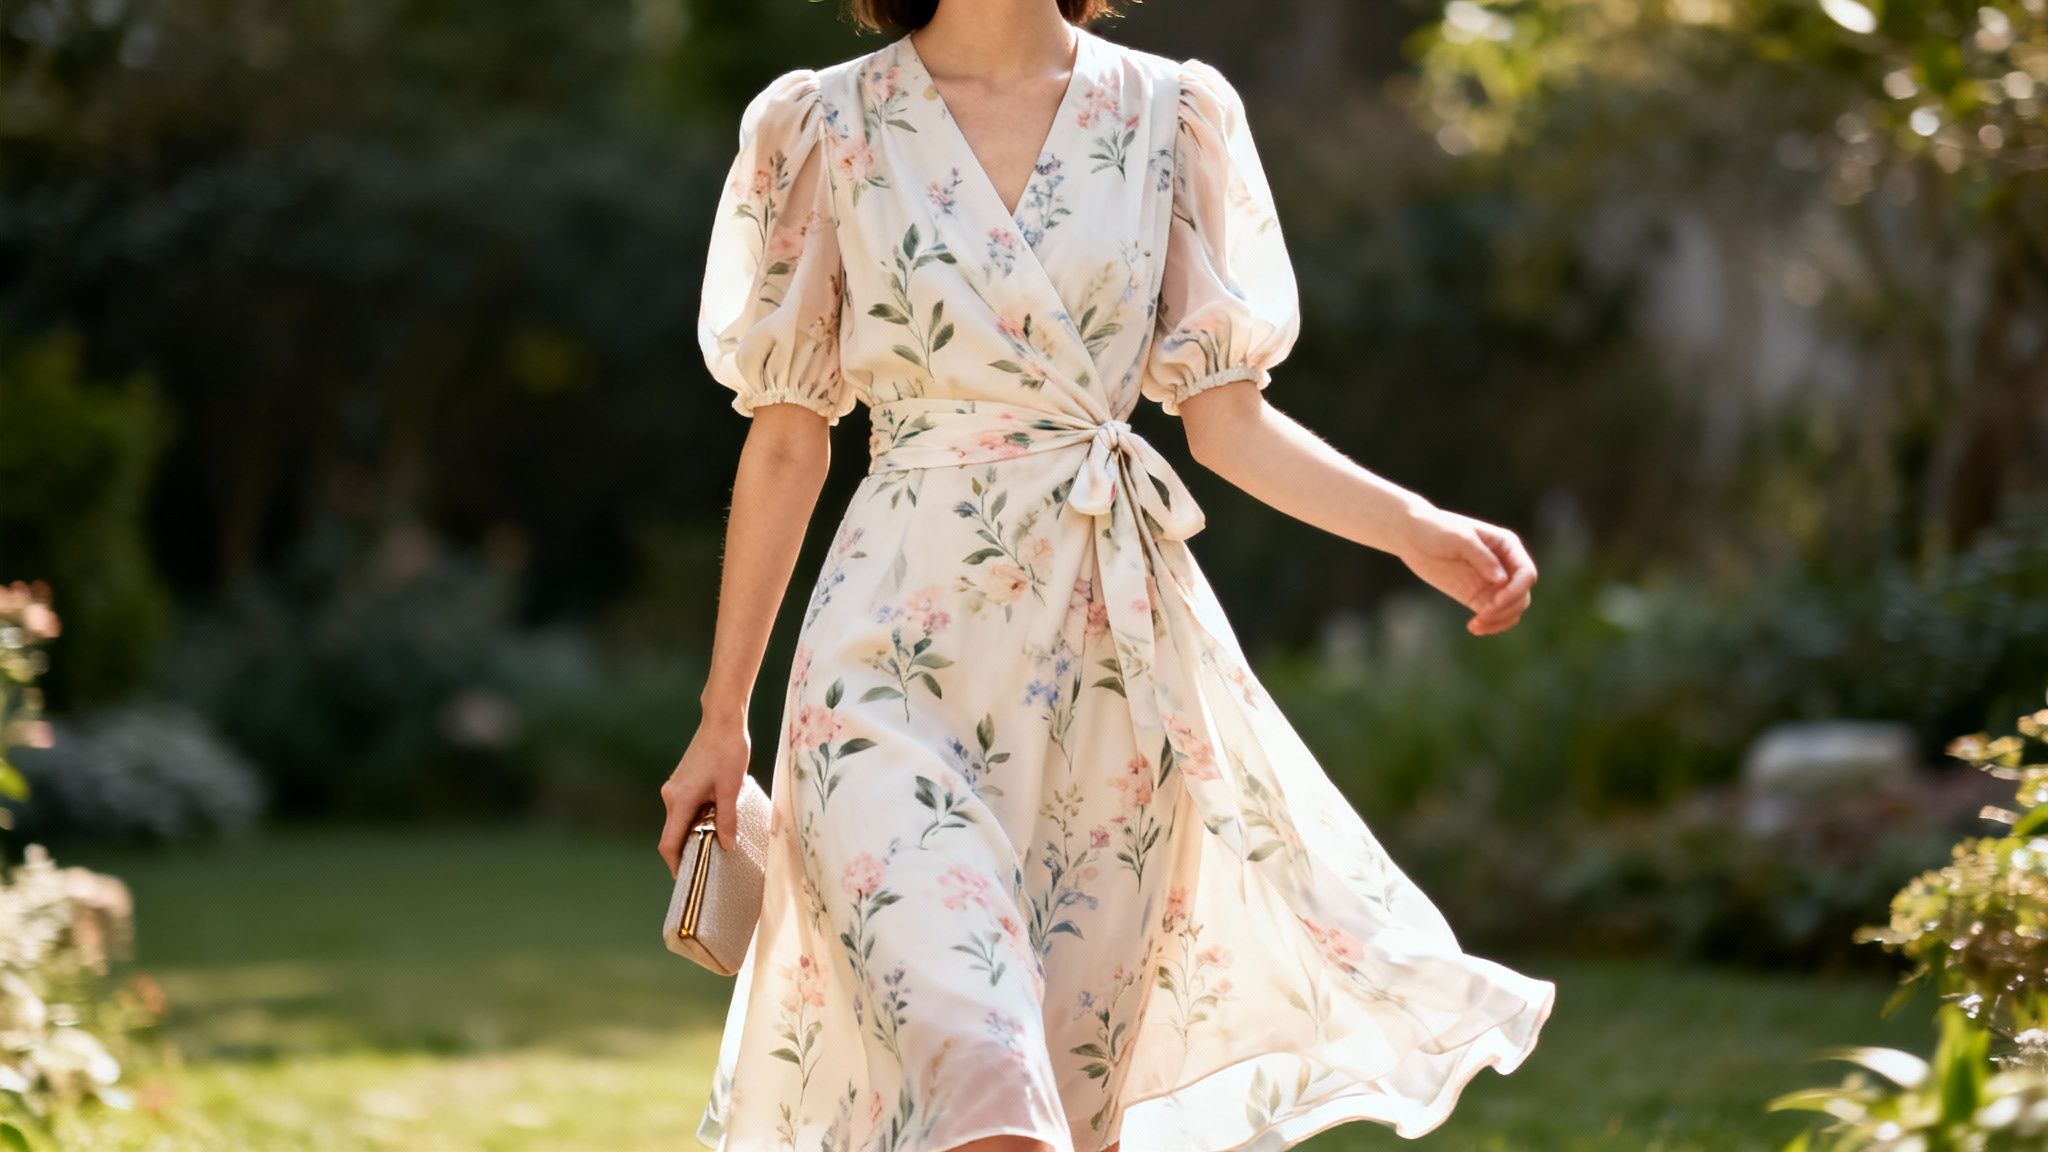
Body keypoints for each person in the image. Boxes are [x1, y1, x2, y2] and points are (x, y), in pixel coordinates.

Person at [658, 1, 1557, 1149]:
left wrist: (1411, 525)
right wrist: (721, 715)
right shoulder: (820, 123)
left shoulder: (1170, 113)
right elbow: (788, 437)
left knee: (1065, 1111)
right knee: (977, 1065)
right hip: (883, 666)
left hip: (1111, 673)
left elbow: (1228, 424)